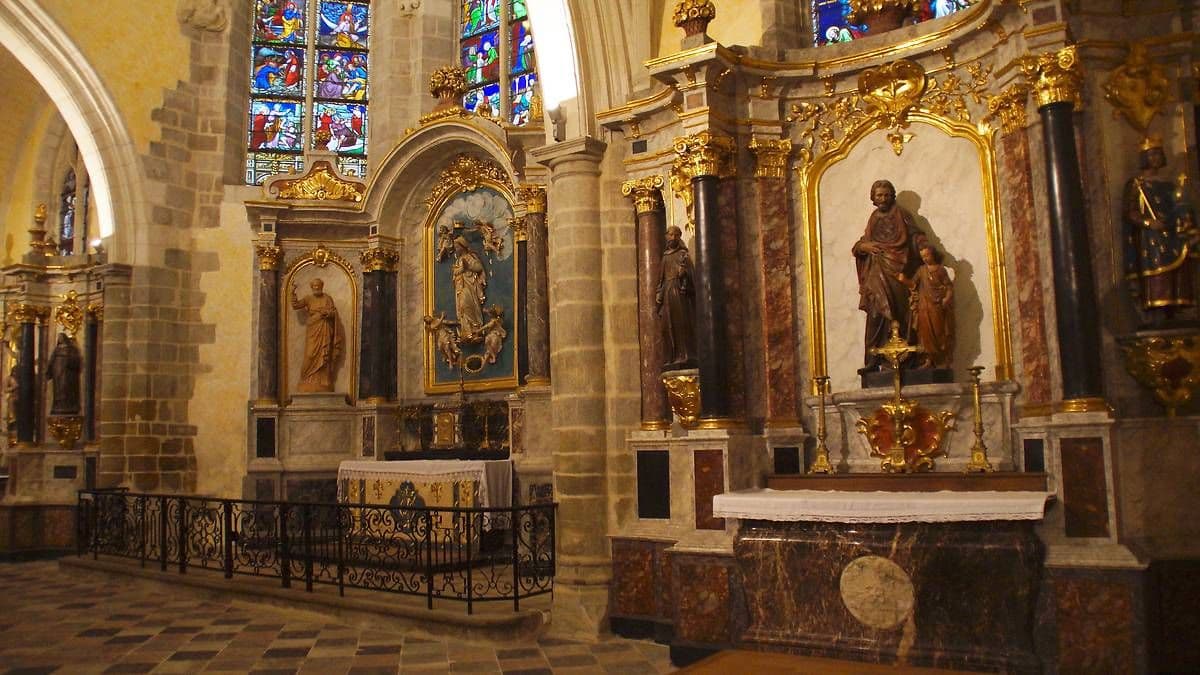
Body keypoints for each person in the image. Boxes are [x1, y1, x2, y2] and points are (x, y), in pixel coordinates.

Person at [853, 179, 928, 371]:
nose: (883, 198)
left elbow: (916, 236)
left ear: (892, 196)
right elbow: (862, 243)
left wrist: (926, 250)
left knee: (900, 315)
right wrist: (863, 246)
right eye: (879, 195)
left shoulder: (902, 214)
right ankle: (873, 359)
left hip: (899, 272)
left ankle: (904, 360)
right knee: (876, 313)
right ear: (873, 197)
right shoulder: (873, 218)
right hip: (877, 270)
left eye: (887, 195)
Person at [1123, 136, 1196, 324]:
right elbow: (1130, 212)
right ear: (1144, 158)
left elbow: (1178, 207)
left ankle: (1176, 307)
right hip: (1152, 236)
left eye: (1158, 154)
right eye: (1151, 154)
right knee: (1158, 270)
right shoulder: (1137, 184)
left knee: (1180, 263)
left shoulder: (1169, 184)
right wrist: (1148, 223)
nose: (1155, 158)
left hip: (1171, 230)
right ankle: (1157, 309)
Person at [899, 245, 955, 369]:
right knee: (925, 334)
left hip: (937, 306)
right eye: (923, 257)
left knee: (939, 332)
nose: (925, 258)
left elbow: (949, 287)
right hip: (924, 306)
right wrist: (904, 280)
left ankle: (942, 360)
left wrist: (946, 298)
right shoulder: (921, 270)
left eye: (927, 255)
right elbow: (913, 284)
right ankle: (928, 359)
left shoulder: (940, 270)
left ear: (933, 254)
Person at [291, 278, 343, 392]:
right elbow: (295, 305)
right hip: (313, 329)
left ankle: (323, 381)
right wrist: (292, 292)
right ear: (311, 287)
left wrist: (327, 313)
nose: (316, 287)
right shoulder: (308, 299)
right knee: (310, 354)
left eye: (318, 285)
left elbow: (333, 312)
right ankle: (306, 379)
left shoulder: (328, 298)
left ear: (322, 286)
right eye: (314, 286)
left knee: (325, 356)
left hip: (325, 329)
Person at [656, 225, 697, 370]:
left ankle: (685, 355)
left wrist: (684, 274)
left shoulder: (683, 255)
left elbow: (692, 278)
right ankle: (671, 357)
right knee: (667, 327)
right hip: (667, 294)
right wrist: (659, 294)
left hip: (680, 294)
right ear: (666, 236)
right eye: (670, 235)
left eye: (675, 235)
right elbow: (661, 280)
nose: (672, 238)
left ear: (679, 237)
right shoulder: (665, 257)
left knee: (681, 325)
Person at [451, 237, 487, 340]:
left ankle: (475, 328)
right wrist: (461, 269)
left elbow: (479, 268)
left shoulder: (470, 257)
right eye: (455, 247)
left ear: (462, 246)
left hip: (470, 286)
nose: (456, 249)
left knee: (468, 305)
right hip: (460, 287)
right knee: (462, 308)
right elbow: (455, 272)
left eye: (457, 246)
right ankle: (466, 331)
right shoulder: (458, 260)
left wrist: (467, 267)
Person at [46, 332, 82, 415]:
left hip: (67, 372)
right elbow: (51, 360)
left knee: (65, 387)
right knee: (58, 389)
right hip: (57, 371)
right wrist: (49, 371)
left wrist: (69, 362)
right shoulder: (56, 349)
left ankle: (68, 406)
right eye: (59, 338)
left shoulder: (71, 349)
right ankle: (58, 405)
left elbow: (75, 360)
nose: (60, 339)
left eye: (61, 337)